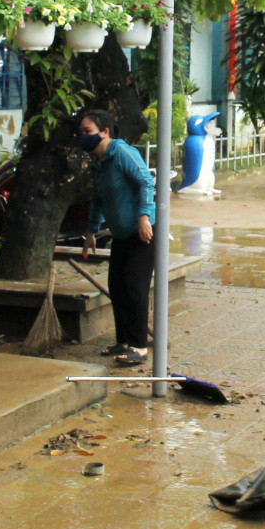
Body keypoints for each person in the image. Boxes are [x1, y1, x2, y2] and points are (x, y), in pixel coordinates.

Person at [79, 109, 158, 366]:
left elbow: (146, 181)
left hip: (141, 233)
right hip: (120, 233)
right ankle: (123, 341)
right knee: (118, 287)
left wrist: (144, 216)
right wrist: (91, 232)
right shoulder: (97, 163)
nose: (84, 136)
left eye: (88, 131)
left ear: (105, 132)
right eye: (81, 132)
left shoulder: (122, 153)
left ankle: (139, 346)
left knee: (135, 288)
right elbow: (98, 199)